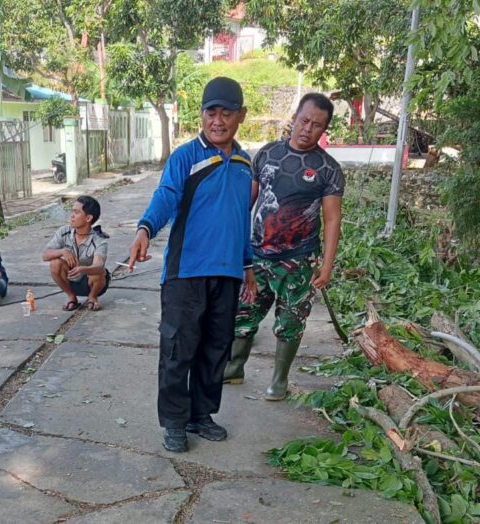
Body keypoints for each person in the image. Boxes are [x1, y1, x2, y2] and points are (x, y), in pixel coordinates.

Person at [129, 77, 257, 453]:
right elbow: (166, 195)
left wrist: (247, 264)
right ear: (201, 115)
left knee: (216, 348)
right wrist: (145, 229)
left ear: (241, 116)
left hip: (228, 273)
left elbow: (239, 219)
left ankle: (201, 415)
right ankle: (174, 421)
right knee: (177, 349)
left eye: (227, 113)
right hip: (185, 273)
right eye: (211, 112)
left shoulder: (245, 163)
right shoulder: (185, 157)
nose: (218, 121)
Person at [224, 92, 344, 401]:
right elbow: (246, 204)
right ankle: (234, 368)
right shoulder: (266, 155)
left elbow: (332, 220)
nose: (308, 129)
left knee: (290, 321)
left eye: (317, 125)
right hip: (258, 257)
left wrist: (327, 264)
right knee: (243, 314)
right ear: (294, 118)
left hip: (299, 261)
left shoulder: (328, 169)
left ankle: (279, 380)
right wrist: (234, 246)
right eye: (304, 120)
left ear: (324, 130)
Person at [43, 195, 111, 311]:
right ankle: (71, 297)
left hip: (93, 283)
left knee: (98, 271)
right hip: (71, 279)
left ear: (88, 218)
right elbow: (45, 255)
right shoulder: (64, 232)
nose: (72, 216)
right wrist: (63, 251)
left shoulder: (99, 240)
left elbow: (99, 266)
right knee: (55, 263)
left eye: (76, 212)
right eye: (72, 212)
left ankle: (92, 297)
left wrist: (83, 269)